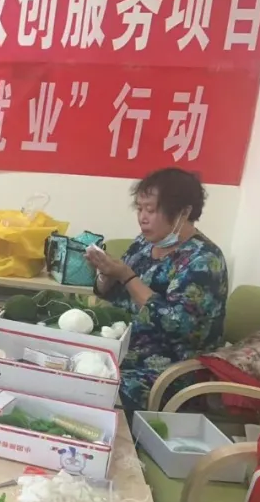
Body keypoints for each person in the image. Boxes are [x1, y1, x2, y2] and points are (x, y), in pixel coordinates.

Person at [87, 168, 229, 414]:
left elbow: (176, 323)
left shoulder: (204, 260)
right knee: (71, 368)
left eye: (150, 210)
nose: (142, 218)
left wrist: (127, 275)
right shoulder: (144, 244)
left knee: (96, 389)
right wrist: (106, 273)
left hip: (171, 369)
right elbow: (112, 293)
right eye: (139, 209)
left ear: (184, 212)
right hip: (126, 350)